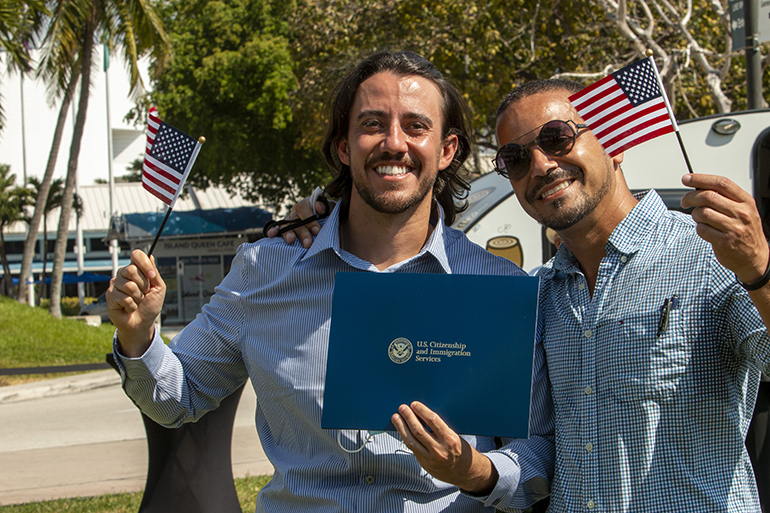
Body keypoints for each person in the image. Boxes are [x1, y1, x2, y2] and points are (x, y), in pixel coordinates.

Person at [280, 77, 770, 511]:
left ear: (615, 143)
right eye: (515, 158)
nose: (541, 164)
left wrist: (760, 271)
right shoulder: (532, 297)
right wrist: (331, 219)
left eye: (557, 139)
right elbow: (537, 449)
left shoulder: (709, 256)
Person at [106, 51, 553, 512]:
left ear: (446, 151)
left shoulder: (499, 287)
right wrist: (138, 336)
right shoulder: (265, 270)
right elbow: (178, 398)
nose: (394, 143)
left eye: (416, 127)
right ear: (344, 146)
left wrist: (476, 472)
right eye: (373, 124)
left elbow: (541, 450)